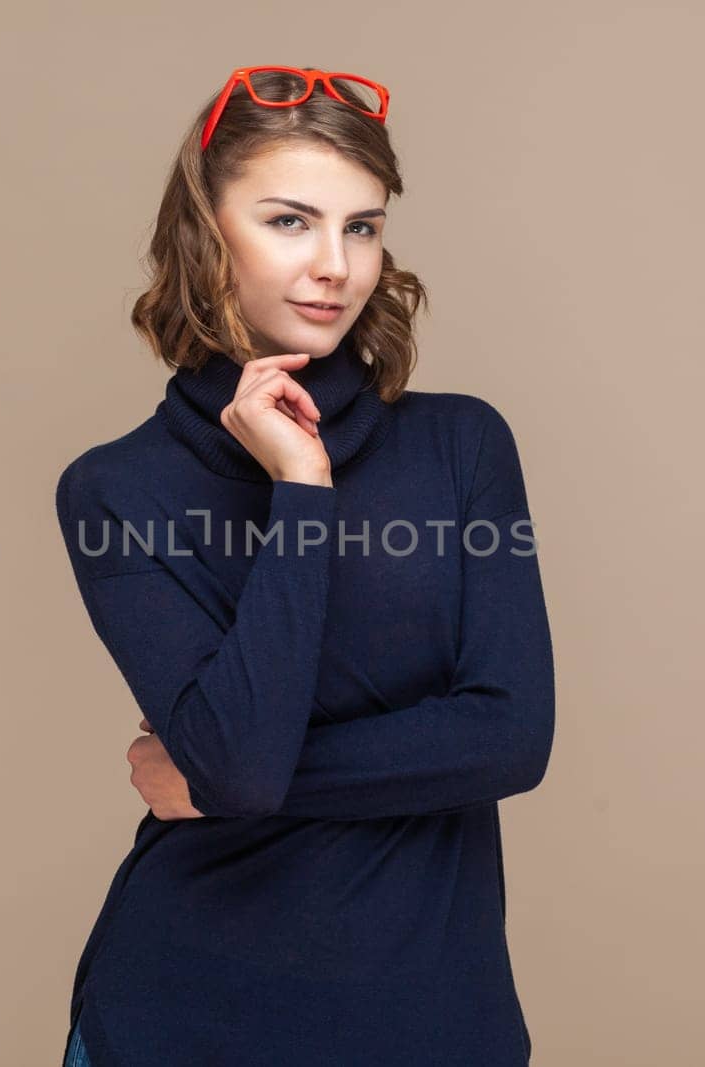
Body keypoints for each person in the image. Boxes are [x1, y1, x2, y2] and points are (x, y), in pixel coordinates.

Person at [53, 64, 556, 1066]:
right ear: (205, 232)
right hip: (180, 1019)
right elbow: (238, 758)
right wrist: (301, 492)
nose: (336, 263)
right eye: (291, 221)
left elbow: (507, 736)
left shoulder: (461, 447)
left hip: (431, 1023)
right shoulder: (117, 490)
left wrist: (214, 780)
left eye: (361, 226)